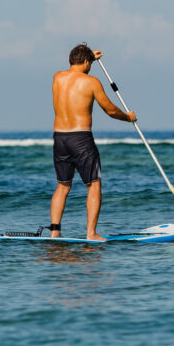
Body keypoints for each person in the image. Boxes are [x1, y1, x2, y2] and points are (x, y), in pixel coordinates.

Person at [49, 44, 136, 240]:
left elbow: (76, 70)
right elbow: (111, 110)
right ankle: (91, 233)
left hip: (59, 137)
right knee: (94, 185)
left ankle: (55, 231)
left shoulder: (57, 77)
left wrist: (89, 58)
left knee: (62, 186)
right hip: (80, 138)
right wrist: (128, 117)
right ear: (87, 62)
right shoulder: (91, 82)